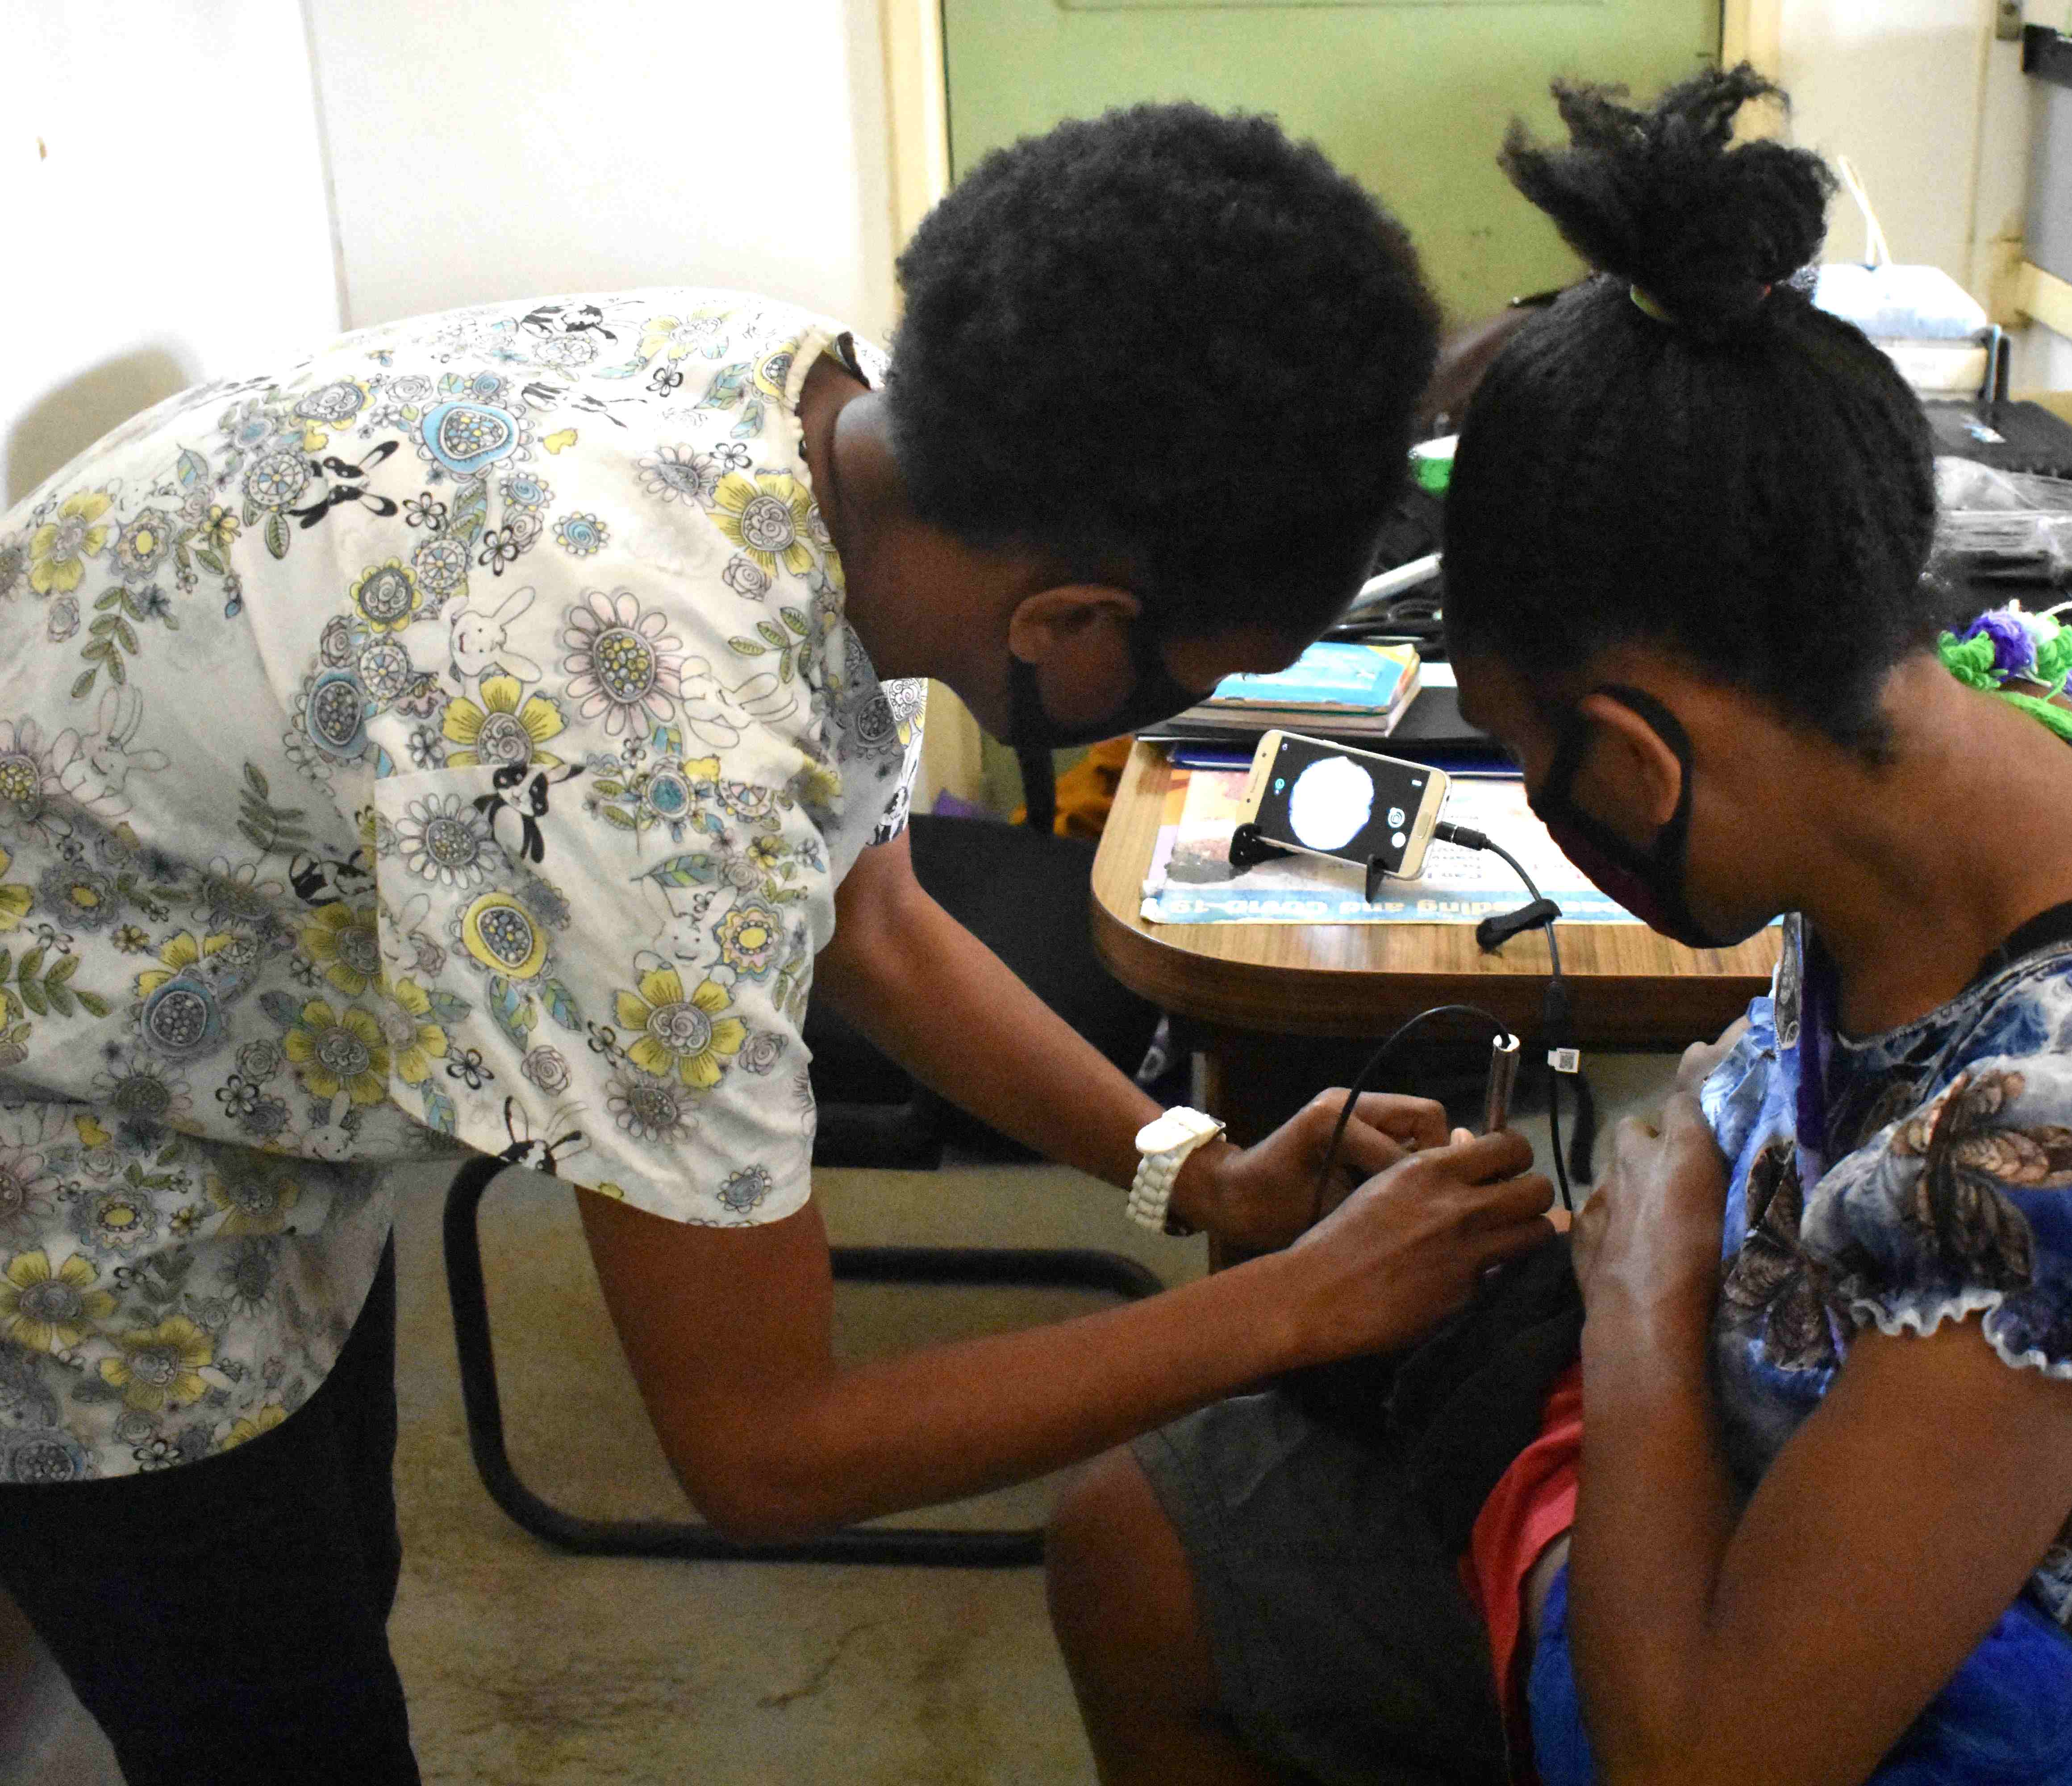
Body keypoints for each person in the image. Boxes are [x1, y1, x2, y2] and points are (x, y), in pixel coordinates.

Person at [0, 104, 1558, 1782]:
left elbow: (866, 917)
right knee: (267, 1707)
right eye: (1192, 681)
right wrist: (1291, 1311)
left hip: (223, 986)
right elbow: (761, 1449)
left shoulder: (828, 421)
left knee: (324, 1563)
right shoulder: (651, 744)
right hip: (76, 1143)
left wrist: (1203, 1173)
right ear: (1070, 627)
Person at [1047, 70, 2072, 1786]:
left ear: (1635, 756)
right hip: (1821, 1472)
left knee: (1167, 1569)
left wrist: (1638, 1287)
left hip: (2034, 1699)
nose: (1551, 811)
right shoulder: (1978, 726)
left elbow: (1706, 1763)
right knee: (1134, 1547)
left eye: (1538, 767)